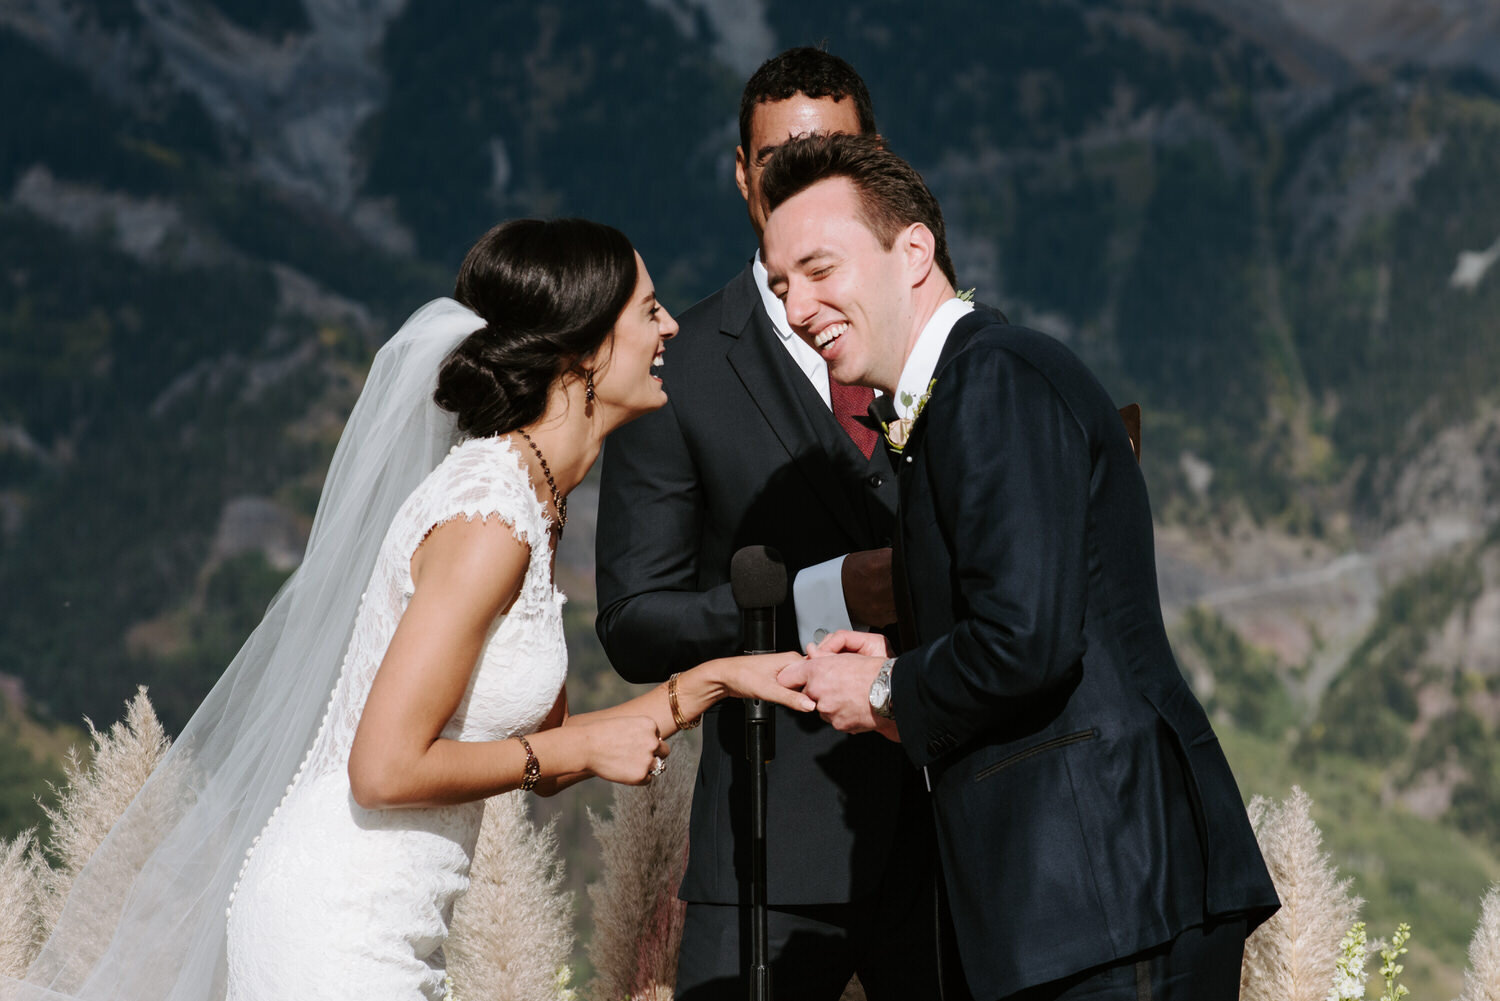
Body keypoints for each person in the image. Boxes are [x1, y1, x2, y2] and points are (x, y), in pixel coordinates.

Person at [9, 218, 812, 1001]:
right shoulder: (489, 520)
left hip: (387, 920)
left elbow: (551, 748)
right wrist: (585, 745)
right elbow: (384, 767)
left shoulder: (533, 502)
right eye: (648, 308)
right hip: (339, 925)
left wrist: (700, 686)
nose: (671, 325)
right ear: (581, 349)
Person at [763, 134, 1281, 1001]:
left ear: (915, 249)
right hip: (1081, 904)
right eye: (781, 286)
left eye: (820, 269)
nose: (799, 305)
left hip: (1107, 898)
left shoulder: (991, 381)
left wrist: (887, 691)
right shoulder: (958, 399)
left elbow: (1027, 641)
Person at [595, 49, 939, 999]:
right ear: (742, 174)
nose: (805, 180)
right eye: (781, 160)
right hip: (768, 857)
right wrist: (818, 596)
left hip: (951, 833)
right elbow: (634, 619)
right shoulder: (683, 370)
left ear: (878, 161)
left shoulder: (941, 335)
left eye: (834, 155)